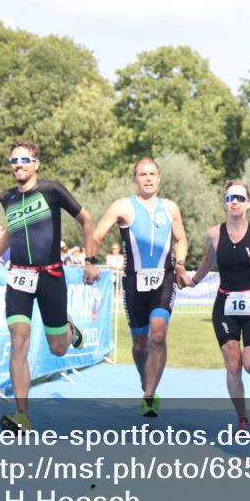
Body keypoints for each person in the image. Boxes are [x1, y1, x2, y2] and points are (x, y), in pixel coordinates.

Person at [0, 139, 100, 432]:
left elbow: (86, 219)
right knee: (18, 340)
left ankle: (68, 330)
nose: (18, 165)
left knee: (58, 349)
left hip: (51, 276)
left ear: (35, 164)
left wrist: (90, 260)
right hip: (19, 276)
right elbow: (11, 230)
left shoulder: (51, 191)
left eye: (24, 160)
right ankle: (23, 416)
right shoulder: (7, 199)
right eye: (13, 161)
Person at [187, 180, 250, 431]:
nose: (234, 202)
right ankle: (242, 418)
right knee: (233, 364)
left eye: (240, 198)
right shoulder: (213, 233)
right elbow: (208, 262)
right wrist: (192, 281)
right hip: (224, 304)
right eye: (230, 197)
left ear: (248, 203)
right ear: (224, 202)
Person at [93, 157, 189, 417]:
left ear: (159, 178)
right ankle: (146, 382)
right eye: (142, 174)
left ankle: (149, 395)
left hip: (164, 278)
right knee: (139, 344)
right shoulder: (123, 206)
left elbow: (181, 239)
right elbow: (97, 235)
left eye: (152, 174)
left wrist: (179, 264)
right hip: (134, 281)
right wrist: (90, 262)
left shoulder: (170, 208)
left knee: (157, 335)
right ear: (135, 179)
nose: (148, 178)